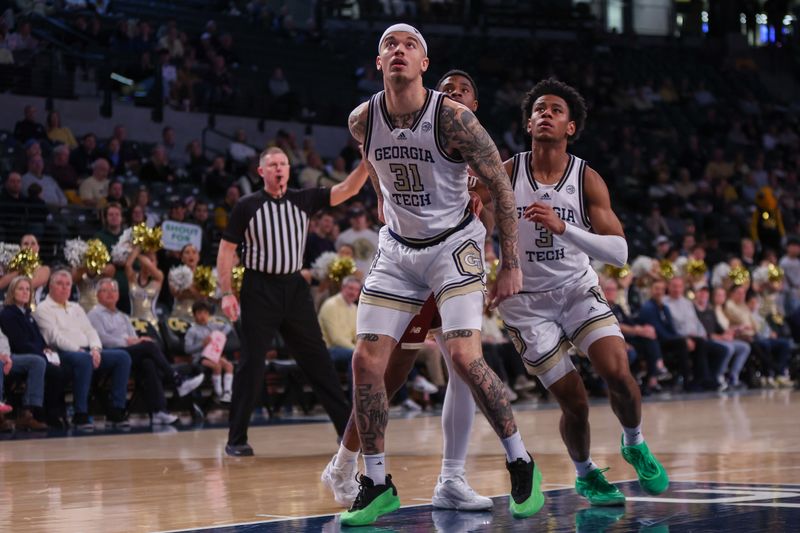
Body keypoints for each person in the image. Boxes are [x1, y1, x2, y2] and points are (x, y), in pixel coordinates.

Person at [341, 25, 541, 526]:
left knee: (462, 355)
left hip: (455, 245)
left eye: (410, 45)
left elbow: (500, 183)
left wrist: (511, 263)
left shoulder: (454, 119)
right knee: (366, 363)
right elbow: (380, 176)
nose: (399, 51)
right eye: (390, 44)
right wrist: (386, 204)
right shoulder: (362, 120)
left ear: (424, 63)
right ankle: (377, 482)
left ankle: (520, 460)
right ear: (379, 60)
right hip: (399, 250)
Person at [321, 68, 495, 513]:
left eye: (463, 91)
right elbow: (383, 164)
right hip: (412, 260)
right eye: (447, 89)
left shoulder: (483, 153)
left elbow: (495, 213)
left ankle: (452, 478)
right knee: (389, 373)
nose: (452, 94)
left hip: (456, 264)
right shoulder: (422, 130)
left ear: (473, 106)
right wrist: (383, 195)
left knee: (461, 367)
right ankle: (345, 462)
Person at [498, 79, 668, 507]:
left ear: (570, 127)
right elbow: (473, 221)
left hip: (576, 289)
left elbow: (620, 251)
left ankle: (634, 441)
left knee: (619, 374)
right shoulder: (506, 173)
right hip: (526, 304)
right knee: (575, 403)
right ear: (528, 122)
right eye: (539, 109)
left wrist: (564, 228)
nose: (546, 114)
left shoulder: (585, 177)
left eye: (556, 109)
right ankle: (585, 473)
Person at [216, 149, 369, 457]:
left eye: (283, 163)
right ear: (261, 172)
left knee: (319, 362)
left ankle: (347, 434)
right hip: (259, 288)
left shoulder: (303, 199)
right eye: (272, 164)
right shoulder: (247, 206)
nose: (279, 168)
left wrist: (367, 161)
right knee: (251, 363)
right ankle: (236, 439)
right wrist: (227, 292)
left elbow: (348, 189)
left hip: (294, 289)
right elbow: (226, 250)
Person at [88, 277, 203, 425]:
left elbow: (135, 338)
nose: (110, 293)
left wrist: (136, 341)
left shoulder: (123, 316)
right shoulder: (94, 314)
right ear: (97, 295)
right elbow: (100, 339)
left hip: (129, 354)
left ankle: (159, 412)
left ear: (118, 295)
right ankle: (177, 380)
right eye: (105, 291)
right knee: (148, 346)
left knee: (148, 362)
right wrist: (127, 341)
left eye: (113, 290)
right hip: (110, 354)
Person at [33, 270, 133, 430]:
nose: (64, 288)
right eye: (59, 284)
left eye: (67, 284)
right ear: (50, 287)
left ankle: (116, 410)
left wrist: (95, 349)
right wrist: (79, 350)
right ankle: (81, 414)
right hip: (62, 353)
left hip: (87, 351)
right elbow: (54, 337)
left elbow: (90, 330)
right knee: (84, 360)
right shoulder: (43, 309)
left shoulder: (76, 307)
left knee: (123, 357)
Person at [0, 282, 48, 430]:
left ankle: (28, 413)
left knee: (38, 362)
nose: (25, 292)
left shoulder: (28, 315)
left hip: (8, 356)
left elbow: (2, 339)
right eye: (20, 289)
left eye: (28, 289)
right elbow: (18, 342)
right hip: (12, 355)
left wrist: (5, 355)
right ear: (12, 292)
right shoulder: (7, 314)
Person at [184, 300, 233, 402]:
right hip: (200, 357)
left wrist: (221, 334)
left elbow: (228, 326)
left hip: (214, 355)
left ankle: (227, 392)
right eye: (199, 313)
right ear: (194, 315)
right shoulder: (192, 331)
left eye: (205, 313)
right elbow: (187, 349)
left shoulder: (213, 326)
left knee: (229, 366)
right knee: (217, 366)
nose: (203, 316)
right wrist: (202, 344)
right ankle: (218, 392)